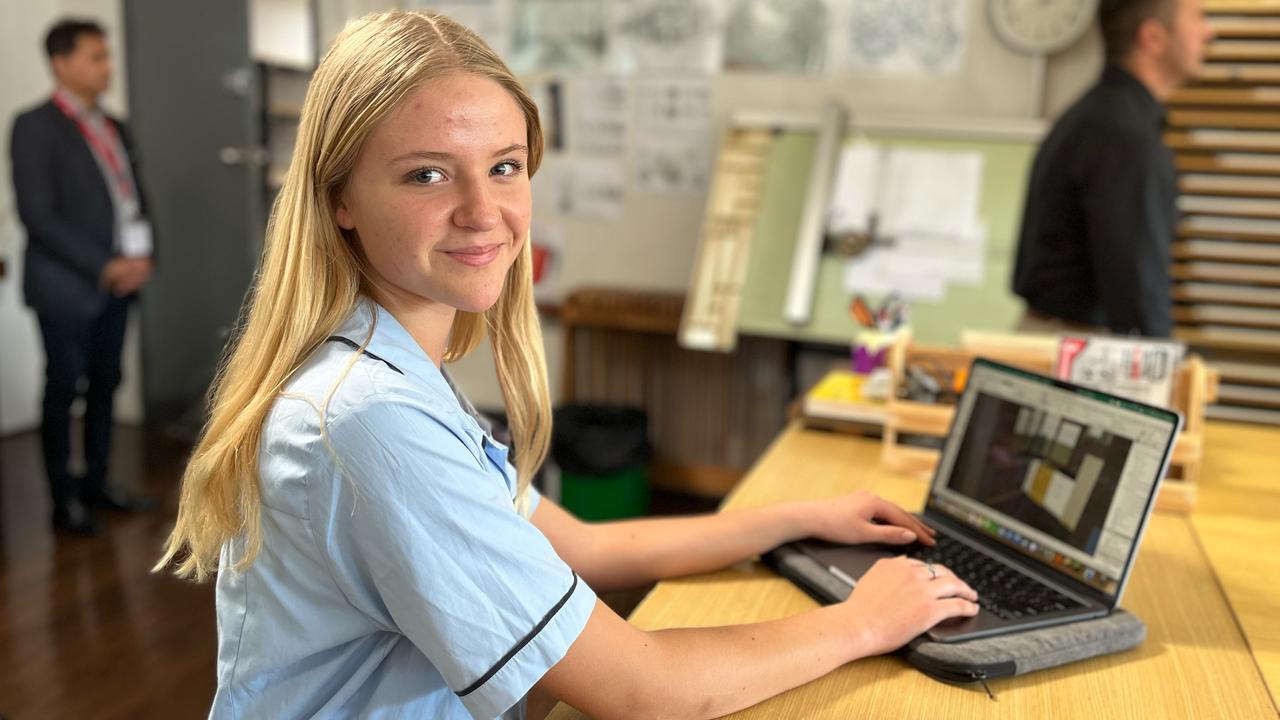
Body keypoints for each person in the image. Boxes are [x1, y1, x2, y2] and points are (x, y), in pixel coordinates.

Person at [155, 11, 978, 719]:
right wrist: (863, 622)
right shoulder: (367, 420)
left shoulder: (389, 366)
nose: (485, 213)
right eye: (427, 174)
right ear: (340, 199)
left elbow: (580, 546)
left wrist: (792, 520)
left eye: (505, 166)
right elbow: (641, 690)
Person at [10, 18, 158, 537]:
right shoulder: (34, 126)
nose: (107, 67)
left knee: (105, 386)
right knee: (62, 389)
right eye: (96, 57)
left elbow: (132, 199)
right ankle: (62, 498)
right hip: (67, 288)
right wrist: (105, 265)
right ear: (61, 62)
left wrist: (144, 256)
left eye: (107, 56)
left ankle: (96, 482)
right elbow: (39, 215)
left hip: (121, 284)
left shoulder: (113, 126)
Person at [1012, 0, 1213, 337]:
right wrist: (1159, 376)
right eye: (1198, 17)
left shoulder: (1094, 116)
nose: (1210, 32)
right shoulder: (1126, 137)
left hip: (1056, 338)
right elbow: (1138, 291)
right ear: (1153, 37)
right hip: (1082, 352)